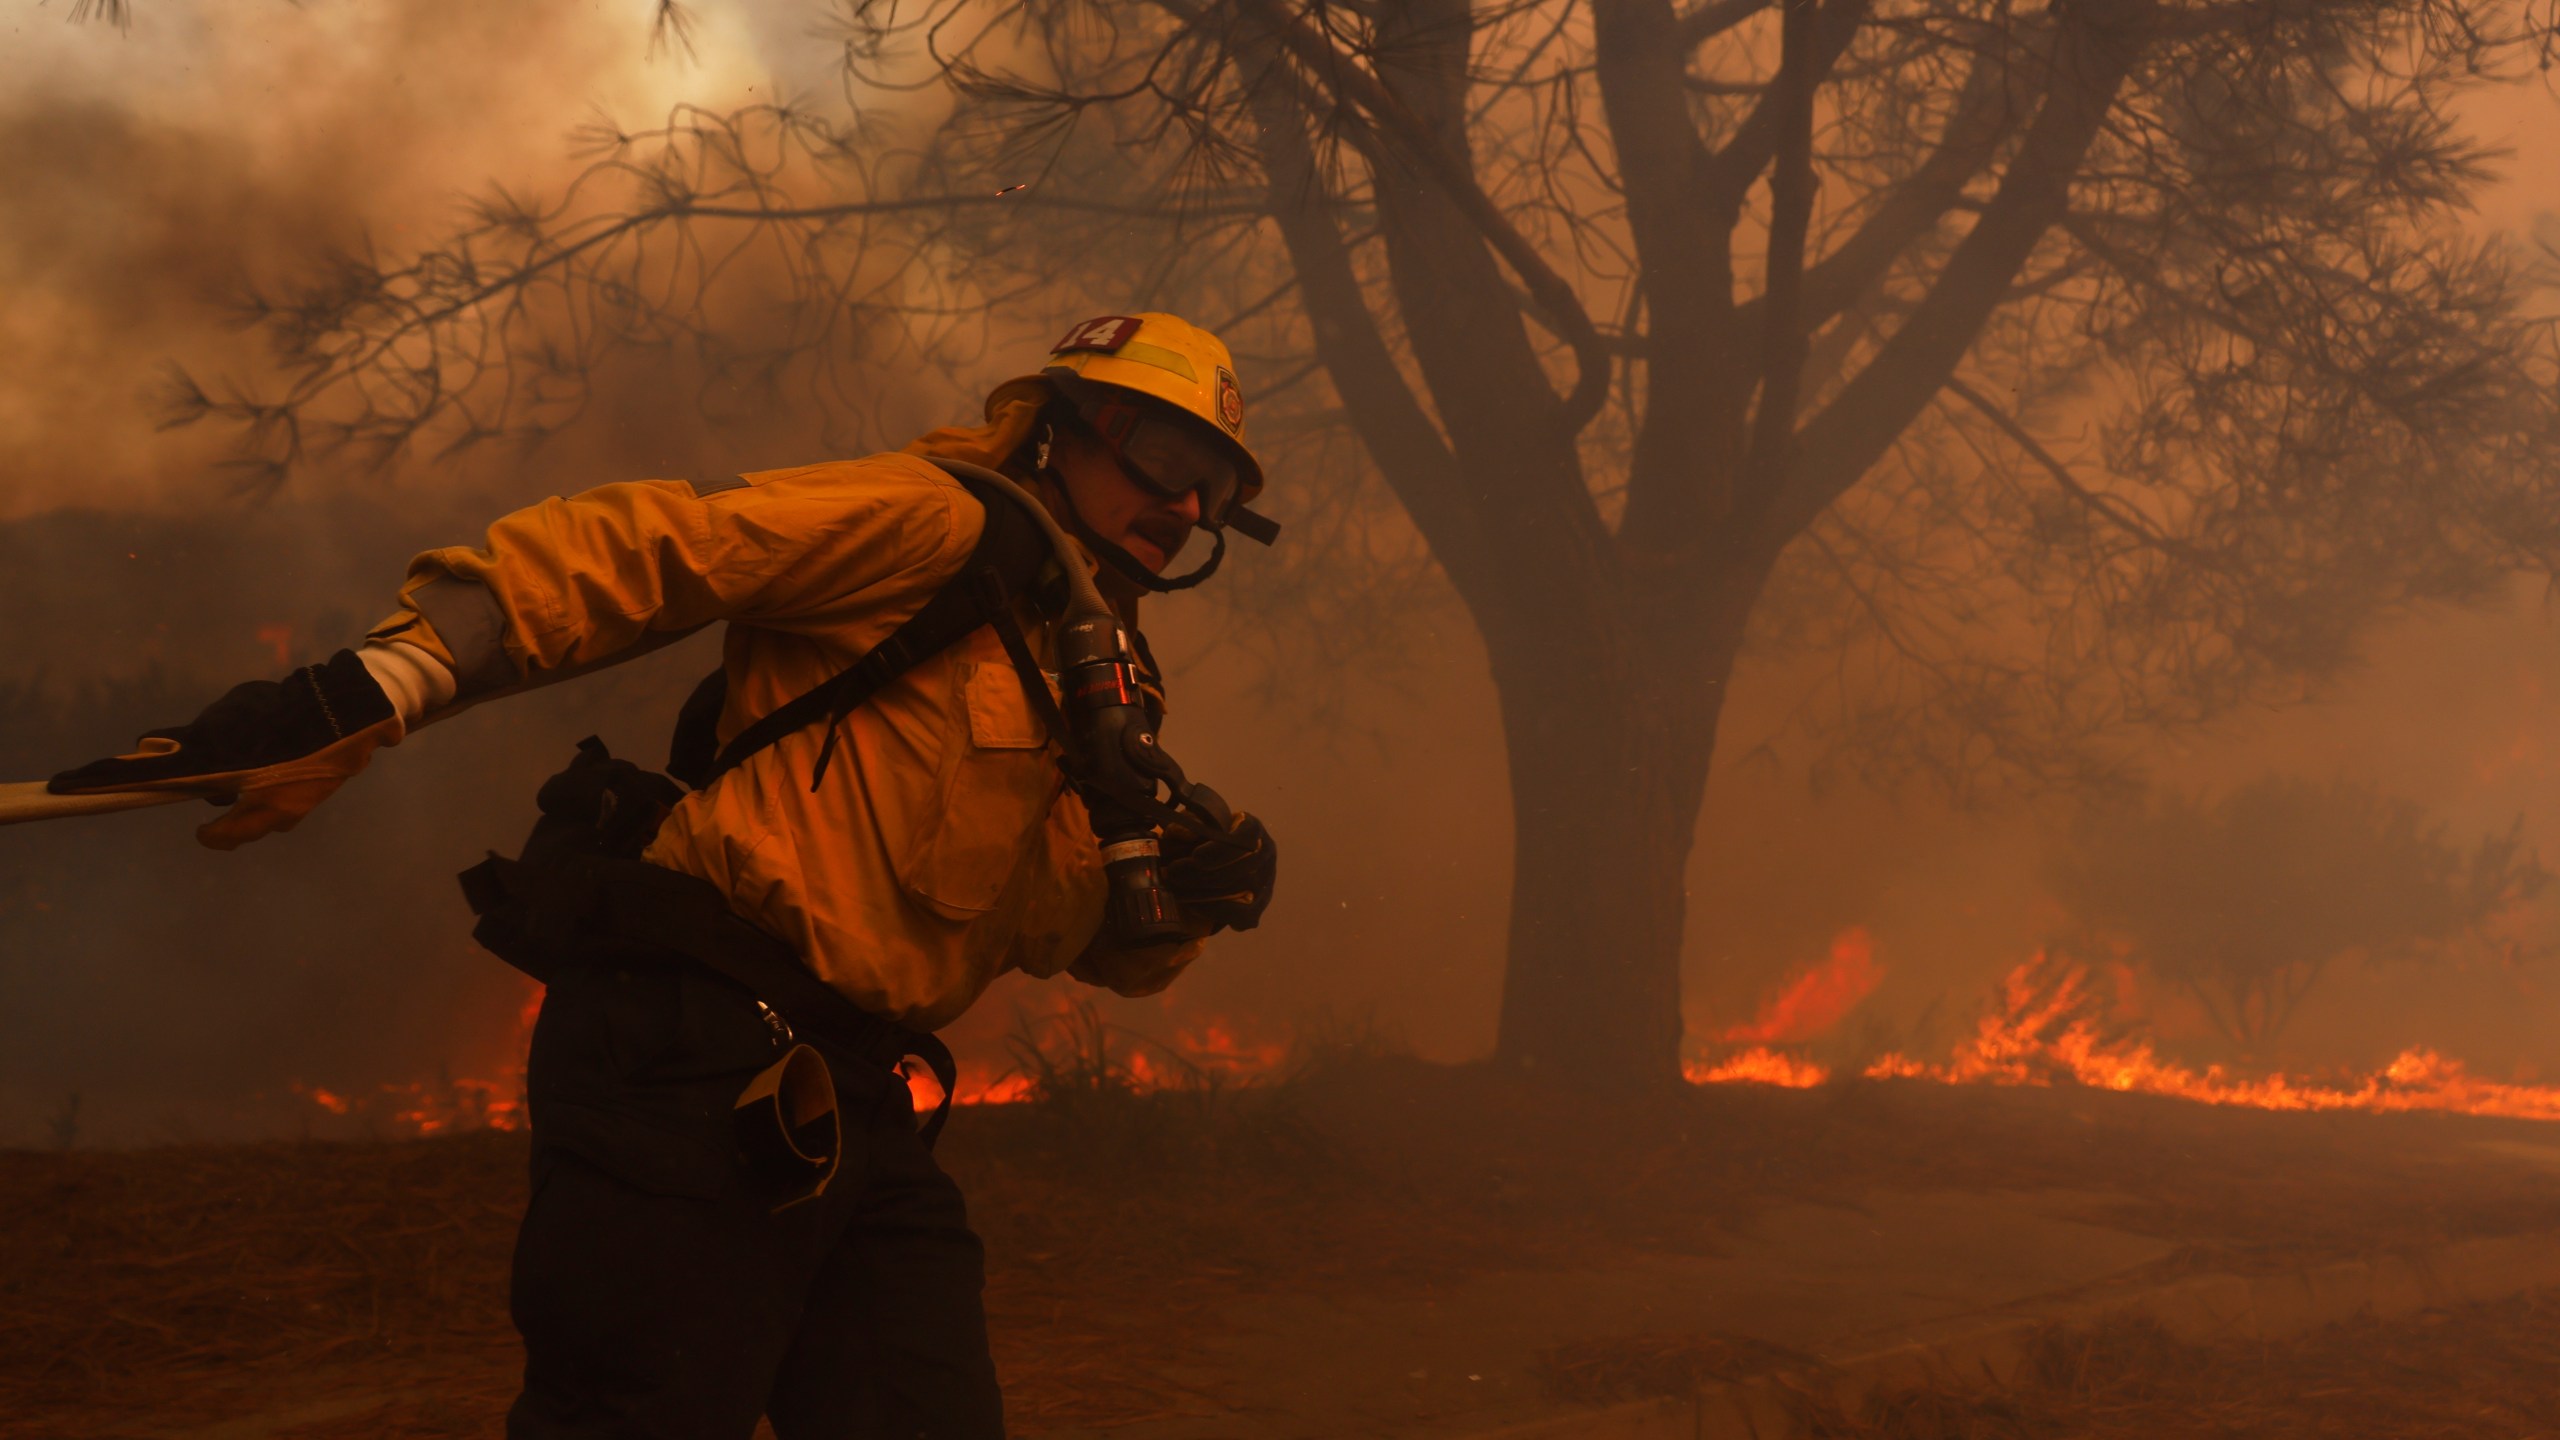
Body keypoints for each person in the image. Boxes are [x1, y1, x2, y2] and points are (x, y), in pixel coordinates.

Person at [48, 312, 1282, 1440]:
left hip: (853, 1098)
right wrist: (379, 685)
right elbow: (663, 543)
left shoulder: (1105, 676)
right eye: (1153, 453)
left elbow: (1060, 922)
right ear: (1058, 425)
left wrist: (1192, 896)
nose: (1181, 503)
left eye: (1213, 484)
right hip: (692, 1064)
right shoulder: (939, 522)